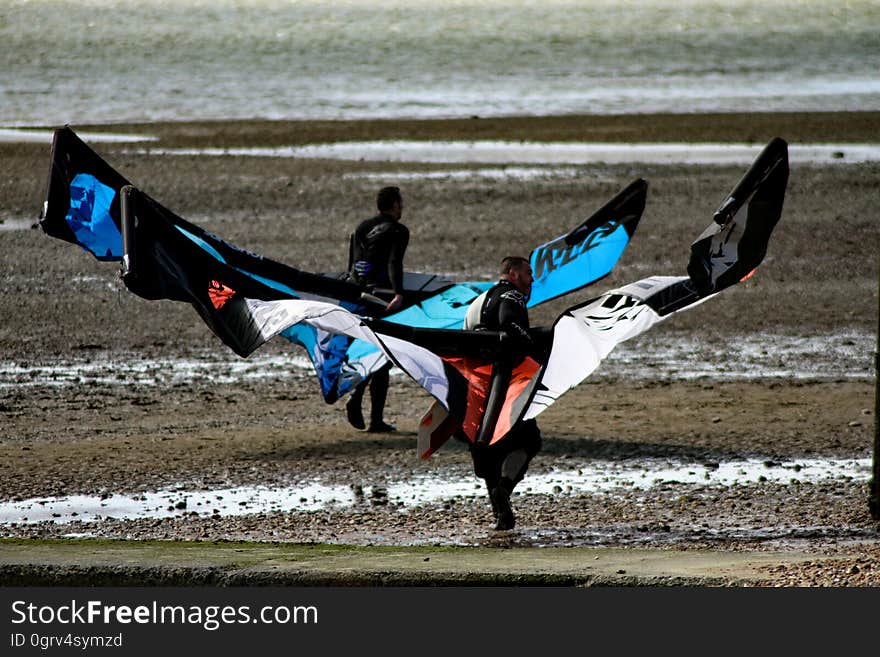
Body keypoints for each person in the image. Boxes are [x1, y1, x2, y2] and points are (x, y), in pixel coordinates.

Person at [463, 256, 545, 531]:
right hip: (506, 384)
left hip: (479, 384)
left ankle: (501, 514)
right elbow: (509, 323)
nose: (532, 279)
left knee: (488, 447)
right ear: (512, 273)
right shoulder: (512, 295)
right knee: (529, 439)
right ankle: (505, 489)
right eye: (528, 273)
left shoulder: (481, 299)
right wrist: (530, 344)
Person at [344, 186, 409, 433]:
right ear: (394, 204)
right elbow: (394, 262)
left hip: (360, 294)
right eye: (400, 203)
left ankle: (360, 402)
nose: (401, 208)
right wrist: (399, 293)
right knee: (383, 355)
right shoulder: (398, 230)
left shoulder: (363, 226)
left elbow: (354, 263)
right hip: (383, 297)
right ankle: (373, 417)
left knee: (369, 347)